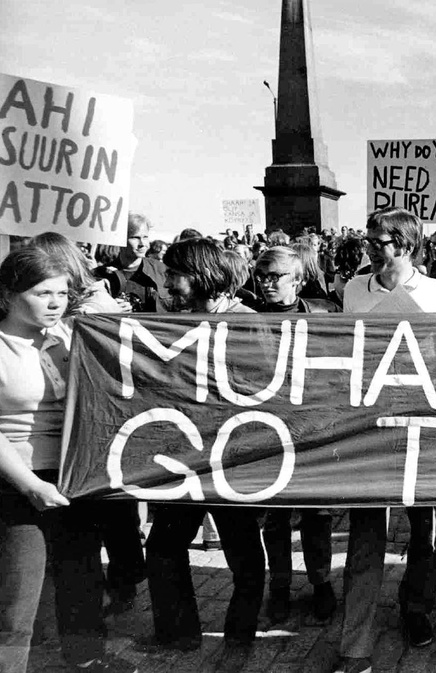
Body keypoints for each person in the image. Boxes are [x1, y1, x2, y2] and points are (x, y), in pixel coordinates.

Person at [0, 247, 136, 673]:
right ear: (7, 296)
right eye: (43, 293)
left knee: (81, 579)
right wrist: (30, 485)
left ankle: (87, 659)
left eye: (61, 292)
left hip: (73, 474)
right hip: (18, 479)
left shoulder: (69, 335)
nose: (56, 302)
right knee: (19, 595)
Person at [334, 208, 436, 673]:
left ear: (404, 244)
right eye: (368, 239)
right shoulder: (353, 289)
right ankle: (355, 640)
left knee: (424, 528)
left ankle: (416, 608)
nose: (368, 247)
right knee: (366, 535)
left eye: (378, 241)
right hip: (370, 424)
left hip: (420, 420)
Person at [142, 239, 266, 662]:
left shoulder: (248, 322)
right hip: (187, 453)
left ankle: (239, 634)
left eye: (174, 275)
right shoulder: (172, 322)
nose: (168, 284)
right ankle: (179, 633)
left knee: (244, 552)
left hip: (233, 454)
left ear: (199, 275)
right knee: (161, 547)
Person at [30, 233, 146, 616]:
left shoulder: (94, 303)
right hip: (67, 427)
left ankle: (123, 582)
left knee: (112, 514)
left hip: (99, 423)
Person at [252, 247, 338, 623]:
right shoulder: (247, 320)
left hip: (311, 426)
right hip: (269, 428)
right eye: (263, 276)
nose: (267, 283)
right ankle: (281, 587)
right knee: (275, 516)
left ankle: (321, 583)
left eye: (276, 277)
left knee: (317, 514)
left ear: (298, 280)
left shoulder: (326, 314)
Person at [96, 212, 170, 312]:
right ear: (120, 239)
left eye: (145, 237)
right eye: (135, 237)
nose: (142, 244)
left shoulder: (162, 271)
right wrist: (110, 309)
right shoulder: (100, 275)